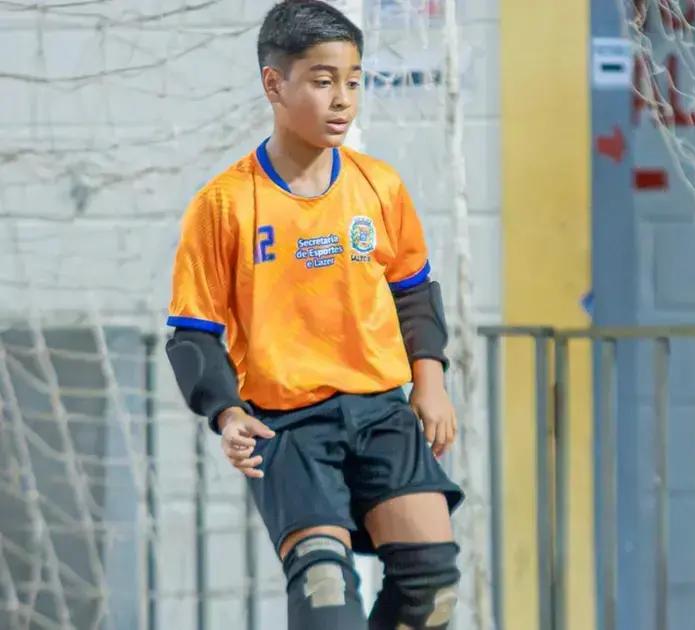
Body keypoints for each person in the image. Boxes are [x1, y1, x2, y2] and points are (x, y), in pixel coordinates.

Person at [164, 2, 463, 628]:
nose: (342, 99)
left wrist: (429, 381)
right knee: (326, 588)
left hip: (382, 409)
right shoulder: (223, 204)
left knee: (432, 593)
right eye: (323, 81)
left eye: (353, 81)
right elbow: (193, 335)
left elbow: (413, 290)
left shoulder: (379, 186)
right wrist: (227, 412)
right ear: (275, 84)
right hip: (288, 424)